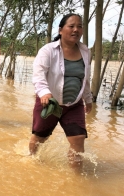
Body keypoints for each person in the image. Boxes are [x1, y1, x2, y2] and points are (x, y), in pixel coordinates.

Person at [28, 13, 93, 168]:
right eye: (71, 26)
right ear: (61, 30)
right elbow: (38, 74)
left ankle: (77, 179)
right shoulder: (48, 50)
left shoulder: (85, 51)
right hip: (49, 103)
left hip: (74, 105)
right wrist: (44, 92)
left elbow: (84, 78)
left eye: (79, 26)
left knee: (78, 139)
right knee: (39, 139)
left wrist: (88, 98)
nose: (76, 29)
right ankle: (30, 162)